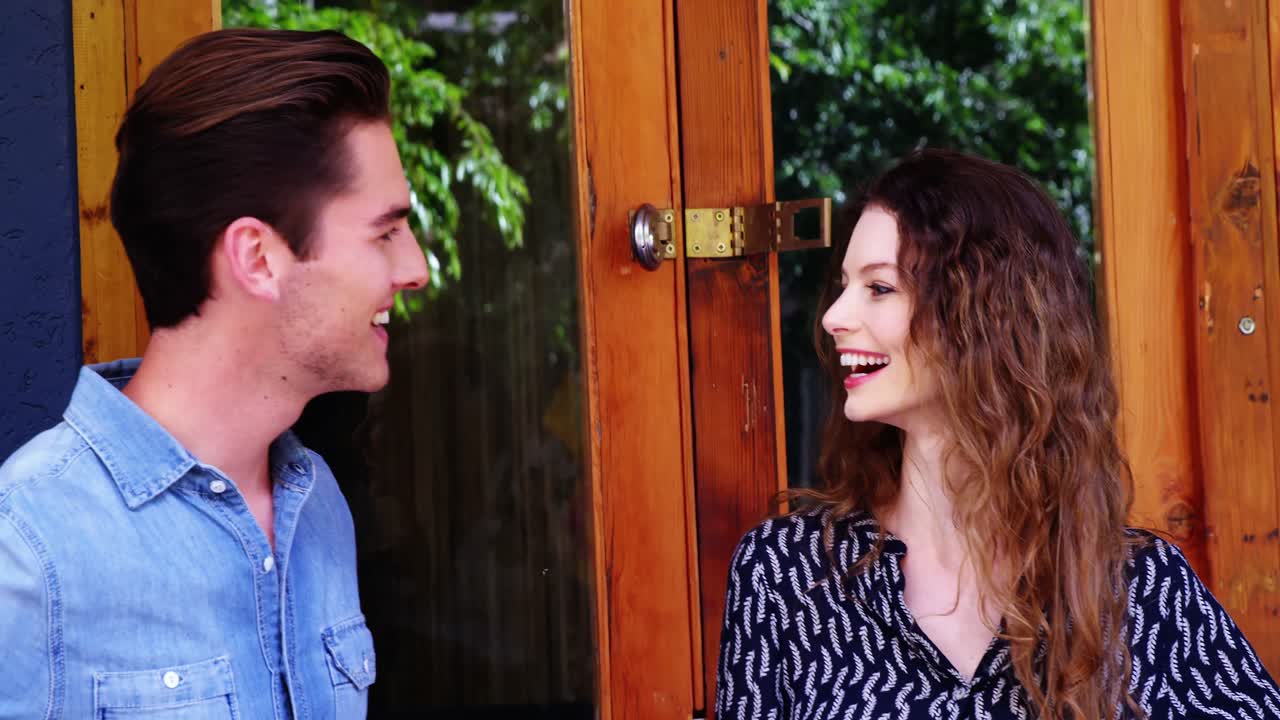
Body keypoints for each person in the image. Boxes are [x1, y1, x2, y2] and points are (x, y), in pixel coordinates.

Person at [715, 148, 1280, 719]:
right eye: (843, 285)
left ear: (984, 315)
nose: (835, 315)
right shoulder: (786, 576)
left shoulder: (1137, 587)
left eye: (880, 288)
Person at [0, 28, 428, 719]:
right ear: (258, 258)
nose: (415, 270)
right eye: (384, 232)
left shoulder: (316, 505)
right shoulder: (28, 546)